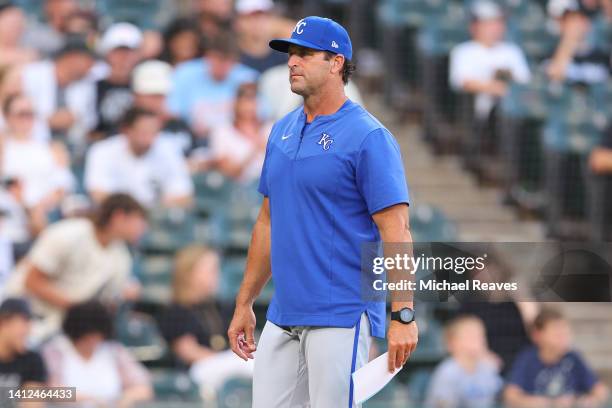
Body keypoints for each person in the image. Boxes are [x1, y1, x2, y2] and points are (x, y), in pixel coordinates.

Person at [227, 16, 417, 407]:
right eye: (291, 54)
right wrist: (244, 302)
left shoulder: (369, 136)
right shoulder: (281, 131)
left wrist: (403, 316)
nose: (293, 62)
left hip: (340, 311)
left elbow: (396, 230)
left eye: (305, 54)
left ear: (336, 63)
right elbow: (267, 221)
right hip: (283, 312)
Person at [4, 193, 147, 344]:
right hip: (18, 316)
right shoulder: (69, 233)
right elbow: (31, 281)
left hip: (59, 328)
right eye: (139, 220)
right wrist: (77, 308)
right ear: (119, 216)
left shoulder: (121, 258)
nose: (142, 227)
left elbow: (106, 304)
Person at [157, 245, 253, 392]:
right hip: (197, 373)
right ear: (189, 274)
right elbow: (189, 352)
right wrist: (225, 361)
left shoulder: (215, 307)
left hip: (219, 365)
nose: (217, 276)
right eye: (211, 271)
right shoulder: (176, 310)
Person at [43, 301, 153, 408]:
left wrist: (127, 398)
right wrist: (88, 399)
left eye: (97, 337)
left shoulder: (114, 352)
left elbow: (144, 387)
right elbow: (40, 392)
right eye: (87, 337)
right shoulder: (55, 352)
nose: (92, 341)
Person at [85, 107, 194, 208]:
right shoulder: (102, 150)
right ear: (126, 130)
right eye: (144, 132)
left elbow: (185, 196)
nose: (149, 138)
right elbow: (98, 194)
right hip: (117, 218)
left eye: (154, 132)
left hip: (157, 218)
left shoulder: (168, 148)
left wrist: (158, 206)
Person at [504, 308, 609, 408]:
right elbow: (510, 395)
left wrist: (588, 401)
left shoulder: (573, 357)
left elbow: (600, 390)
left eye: (566, 333)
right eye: (557, 333)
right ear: (537, 335)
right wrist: (548, 403)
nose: (563, 338)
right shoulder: (527, 359)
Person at [167, 30, 258, 139]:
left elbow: (260, 115)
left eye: (228, 60)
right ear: (208, 56)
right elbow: (172, 112)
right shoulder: (184, 73)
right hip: (193, 138)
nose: (223, 65)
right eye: (218, 59)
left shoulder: (247, 78)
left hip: (236, 140)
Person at [449, 0, 531, 119]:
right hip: (477, 114)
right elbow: (463, 82)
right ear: (475, 26)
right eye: (488, 23)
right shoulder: (463, 51)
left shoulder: (512, 50)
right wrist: (496, 88)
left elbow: (523, 81)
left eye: (498, 23)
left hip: (511, 111)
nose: (494, 28)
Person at [1, 94, 74, 215]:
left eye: (30, 114)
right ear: (8, 117)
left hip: (49, 211)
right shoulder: (3, 147)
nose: (26, 119)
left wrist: (41, 207)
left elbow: (63, 183)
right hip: (10, 211)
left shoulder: (51, 147)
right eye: (21, 114)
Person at [21, 39, 96, 145]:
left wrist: (75, 120)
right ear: (72, 58)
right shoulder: (32, 74)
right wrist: (47, 121)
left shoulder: (86, 83)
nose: (92, 65)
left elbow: (89, 122)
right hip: (30, 144)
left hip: (70, 147)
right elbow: (14, 113)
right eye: (89, 60)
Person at [425, 315, 503, 408]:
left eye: (481, 335)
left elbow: (500, 397)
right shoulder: (448, 371)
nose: (479, 340)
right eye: (471, 336)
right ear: (452, 343)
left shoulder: (487, 367)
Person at [131, 60, 195, 157]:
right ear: (136, 96)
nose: (157, 101)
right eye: (151, 95)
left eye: (161, 95)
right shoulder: (126, 128)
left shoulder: (178, 126)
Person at [90, 22, 143, 140]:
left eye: (129, 52)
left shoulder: (145, 86)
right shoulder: (93, 85)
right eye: (118, 52)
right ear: (108, 54)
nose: (124, 58)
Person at [210, 82, 271, 182]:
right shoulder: (222, 131)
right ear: (236, 103)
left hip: (271, 185)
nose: (249, 106)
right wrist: (254, 151)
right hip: (239, 189)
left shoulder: (270, 127)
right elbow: (229, 171)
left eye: (252, 100)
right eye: (245, 100)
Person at [546, 0, 610, 84]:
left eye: (581, 16)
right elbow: (554, 75)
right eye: (569, 19)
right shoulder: (548, 55)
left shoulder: (603, 53)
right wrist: (569, 41)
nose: (576, 23)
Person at [0, 298, 47, 391]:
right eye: (25, 321)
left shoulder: (32, 360)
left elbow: (32, 403)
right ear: (3, 322)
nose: (29, 330)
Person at [234, 0, 292, 73]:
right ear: (238, 22)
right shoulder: (231, 57)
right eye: (249, 17)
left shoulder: (284, 53)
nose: (256, 23)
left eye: (261, 16)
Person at [0, 2, 38, 68]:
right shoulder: (27, 55)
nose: (15, 28)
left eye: (19, 22)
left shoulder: (30, 53)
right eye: (11, 23)